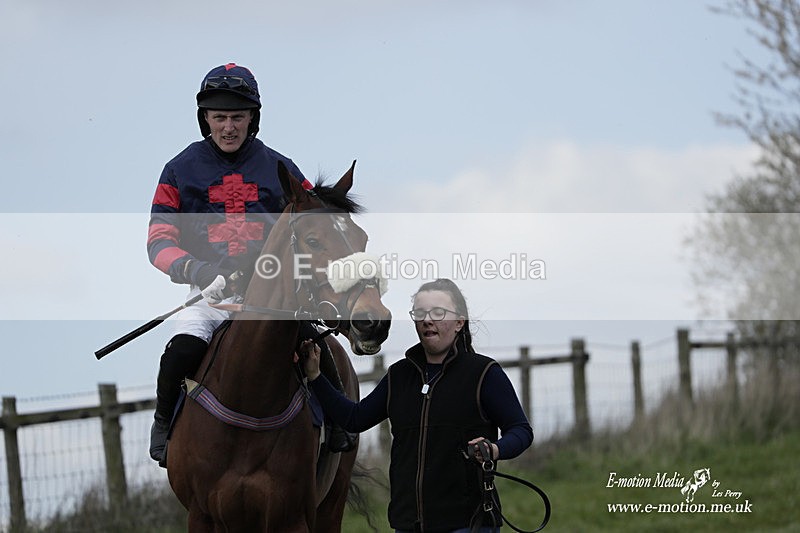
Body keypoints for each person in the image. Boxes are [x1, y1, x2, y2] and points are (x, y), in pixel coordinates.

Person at [146, 63, 312, 466]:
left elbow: (317, 226)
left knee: (314, 348)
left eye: (237, 117)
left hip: (273, 296)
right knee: (178, 354)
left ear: (253, 117)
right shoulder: (178, 170)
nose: (229, 127)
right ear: (205, 118)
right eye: (219, 117)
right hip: (210, 295)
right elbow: (157, 242)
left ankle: (335, 423)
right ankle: (164, 422)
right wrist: (198, 271)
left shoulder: (282, 167)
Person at [300, 278, 533, 532]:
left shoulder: (484, 374)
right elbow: (354, 419)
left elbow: (521, 431)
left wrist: (495, 449)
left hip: (468, 524)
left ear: (459, 322)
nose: (427, 320)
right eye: (420, 313)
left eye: (438, 312)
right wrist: (316, 377)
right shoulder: (400, 375)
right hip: (408, 524)